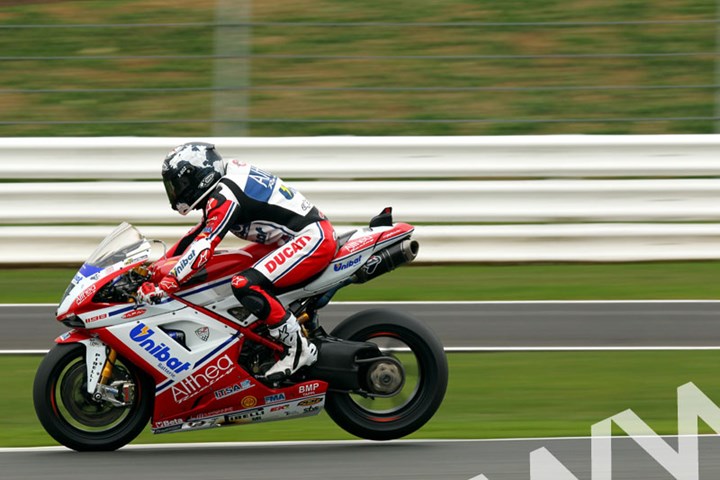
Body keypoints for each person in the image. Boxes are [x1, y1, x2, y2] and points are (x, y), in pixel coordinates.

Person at [136, 142, 337, 380]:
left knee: (244, 284)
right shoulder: (225, 181)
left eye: (179, 184)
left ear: (198, 175)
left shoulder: (225, 194)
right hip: (289, 238)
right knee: (234, 266)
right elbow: (198, 233)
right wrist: (155, 269)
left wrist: (168, 284)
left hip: (310, 239)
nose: (177, 191)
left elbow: (204, 245)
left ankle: (298, 349)